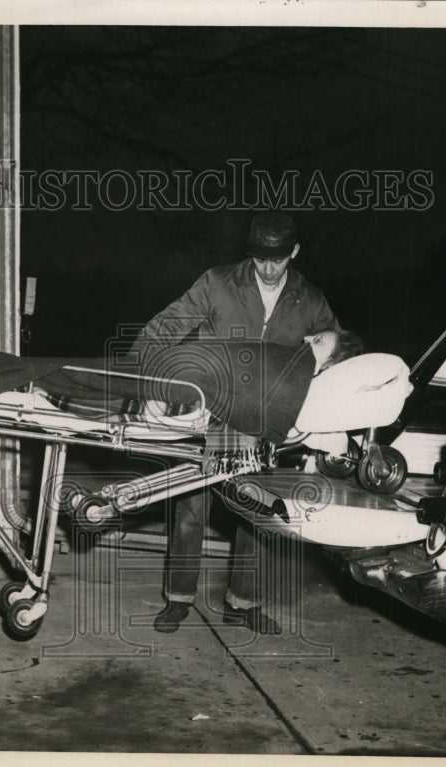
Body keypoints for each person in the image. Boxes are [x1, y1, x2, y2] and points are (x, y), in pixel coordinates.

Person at [132, 210, 344, 635]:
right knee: (190, 507)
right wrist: (144, 385)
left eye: (277, 259)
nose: (267, 269)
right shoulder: (217, 282)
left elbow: (337, 349)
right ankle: (178, 599)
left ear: (294, 253)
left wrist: (328, 356)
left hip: (266, 417)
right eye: (260, 259)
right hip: (209, 409)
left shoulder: (311, 299)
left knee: (256, 509)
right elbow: (162, 329)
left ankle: (242, 603)